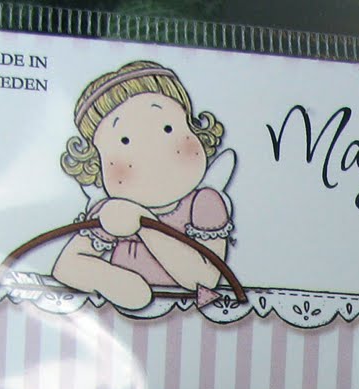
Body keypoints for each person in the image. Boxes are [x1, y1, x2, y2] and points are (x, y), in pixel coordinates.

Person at [52, 61, 232, 310]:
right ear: (97, 164)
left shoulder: (204, 203)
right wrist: (119, 284)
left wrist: (144, 224)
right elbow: (66, 267)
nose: (153, 154)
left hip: (189, 317)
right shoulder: (114, 211)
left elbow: (205, 278)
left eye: (168, 128)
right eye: (125, 141)